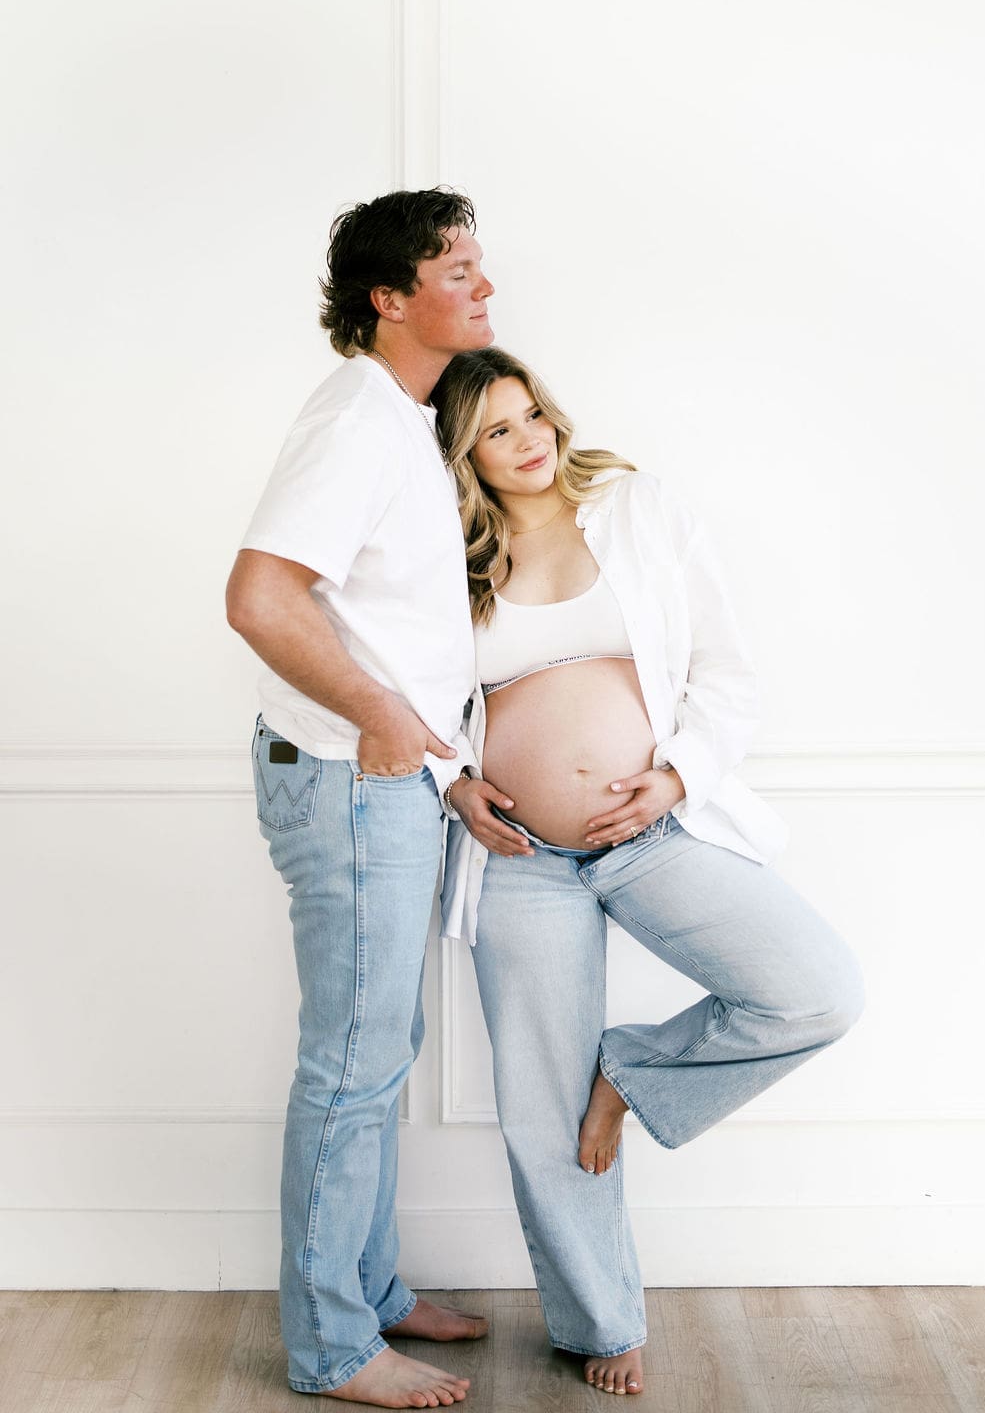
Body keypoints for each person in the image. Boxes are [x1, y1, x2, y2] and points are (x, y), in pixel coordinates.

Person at [432, 346, 865, 1398]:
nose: (529, 439)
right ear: (463, 455)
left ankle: (628, 1076)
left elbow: (726, 670)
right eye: (497, 429)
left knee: (814, 992)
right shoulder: (446, 557)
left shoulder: (637, 510)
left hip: (656, 835)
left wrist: (675, 779)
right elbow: (407, 695)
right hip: (520, 859)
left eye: (532, 414)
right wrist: (452, 781)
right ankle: (597, 1321)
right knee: (540, 1107)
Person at [225, 189, 501, 1408]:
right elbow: (261, 597)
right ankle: (333, 1344)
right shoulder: (353, 422)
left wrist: (443, 769)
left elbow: (392, 629)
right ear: (389, 298)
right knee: (351, 1062)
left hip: (387, 780)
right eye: (458, 269)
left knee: (378, 1052)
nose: (484, 286)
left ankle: (372, 1291)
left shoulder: (399, 420)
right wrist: (390, 727)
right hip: (346, 781)